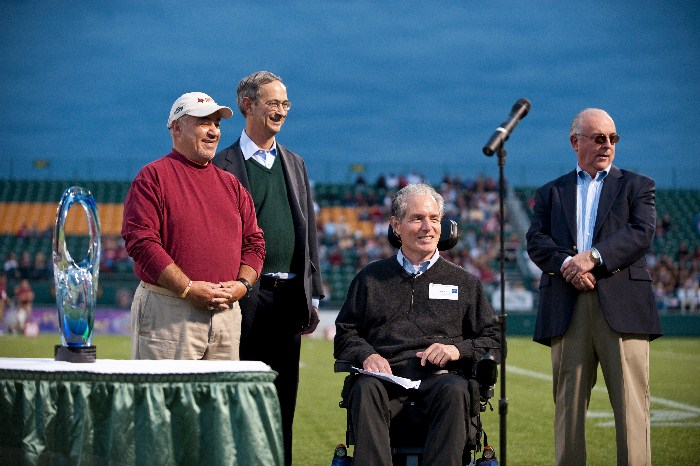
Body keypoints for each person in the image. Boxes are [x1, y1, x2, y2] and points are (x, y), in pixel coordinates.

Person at [526, 108, 661, 466]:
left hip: (623, 306)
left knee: (632, 409)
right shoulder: (550, 192)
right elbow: (536, 241)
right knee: (568, 410)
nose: (607, 145)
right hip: (568, 307)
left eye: (612, 138)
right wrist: (569, 266)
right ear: (575, 142)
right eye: (598, 137)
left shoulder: (638, 186)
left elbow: (641, 233)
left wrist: (594, 257)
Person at [334, 183, 501, 466]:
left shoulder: (465, 283)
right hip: (385, 381)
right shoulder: (370, 279)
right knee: (364, 389)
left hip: (441, 379)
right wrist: (366, 354)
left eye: (434, 219)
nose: (428, 227)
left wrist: (457, 350)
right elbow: (345, 334)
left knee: (456, 390)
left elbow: (494, 341)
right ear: (396, 225)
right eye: (417, 218)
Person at [212, 71, 323, 465]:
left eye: (285, 104)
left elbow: (306, 231)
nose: (281, 111)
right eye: (272, 103)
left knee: (283, 405)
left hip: (290, 298)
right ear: (247, 105)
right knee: (239, 399)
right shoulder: (221, 164)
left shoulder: (295, 163)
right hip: (243, 300)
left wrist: (313, 294)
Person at [122, 91, 265, 360]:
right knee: (165, 400)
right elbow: (141, 242)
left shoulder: (232, 185)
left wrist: (243, 285)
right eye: (203, 122)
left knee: (221, 402)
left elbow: (254, 243)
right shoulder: (152, 177)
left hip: (226, 315)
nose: (213, 132)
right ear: (177, 127)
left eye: (217, 124)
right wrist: (187, 288)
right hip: (170, 311)